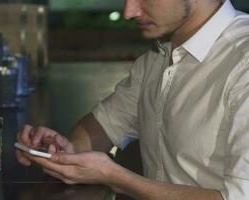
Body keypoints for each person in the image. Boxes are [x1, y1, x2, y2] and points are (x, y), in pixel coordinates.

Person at [15, 0, 249, 199]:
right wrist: (64, 151)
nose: (129, 11)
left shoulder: (243, 62)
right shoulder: (156, 59)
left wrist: (115, 177)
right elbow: (104, 125)